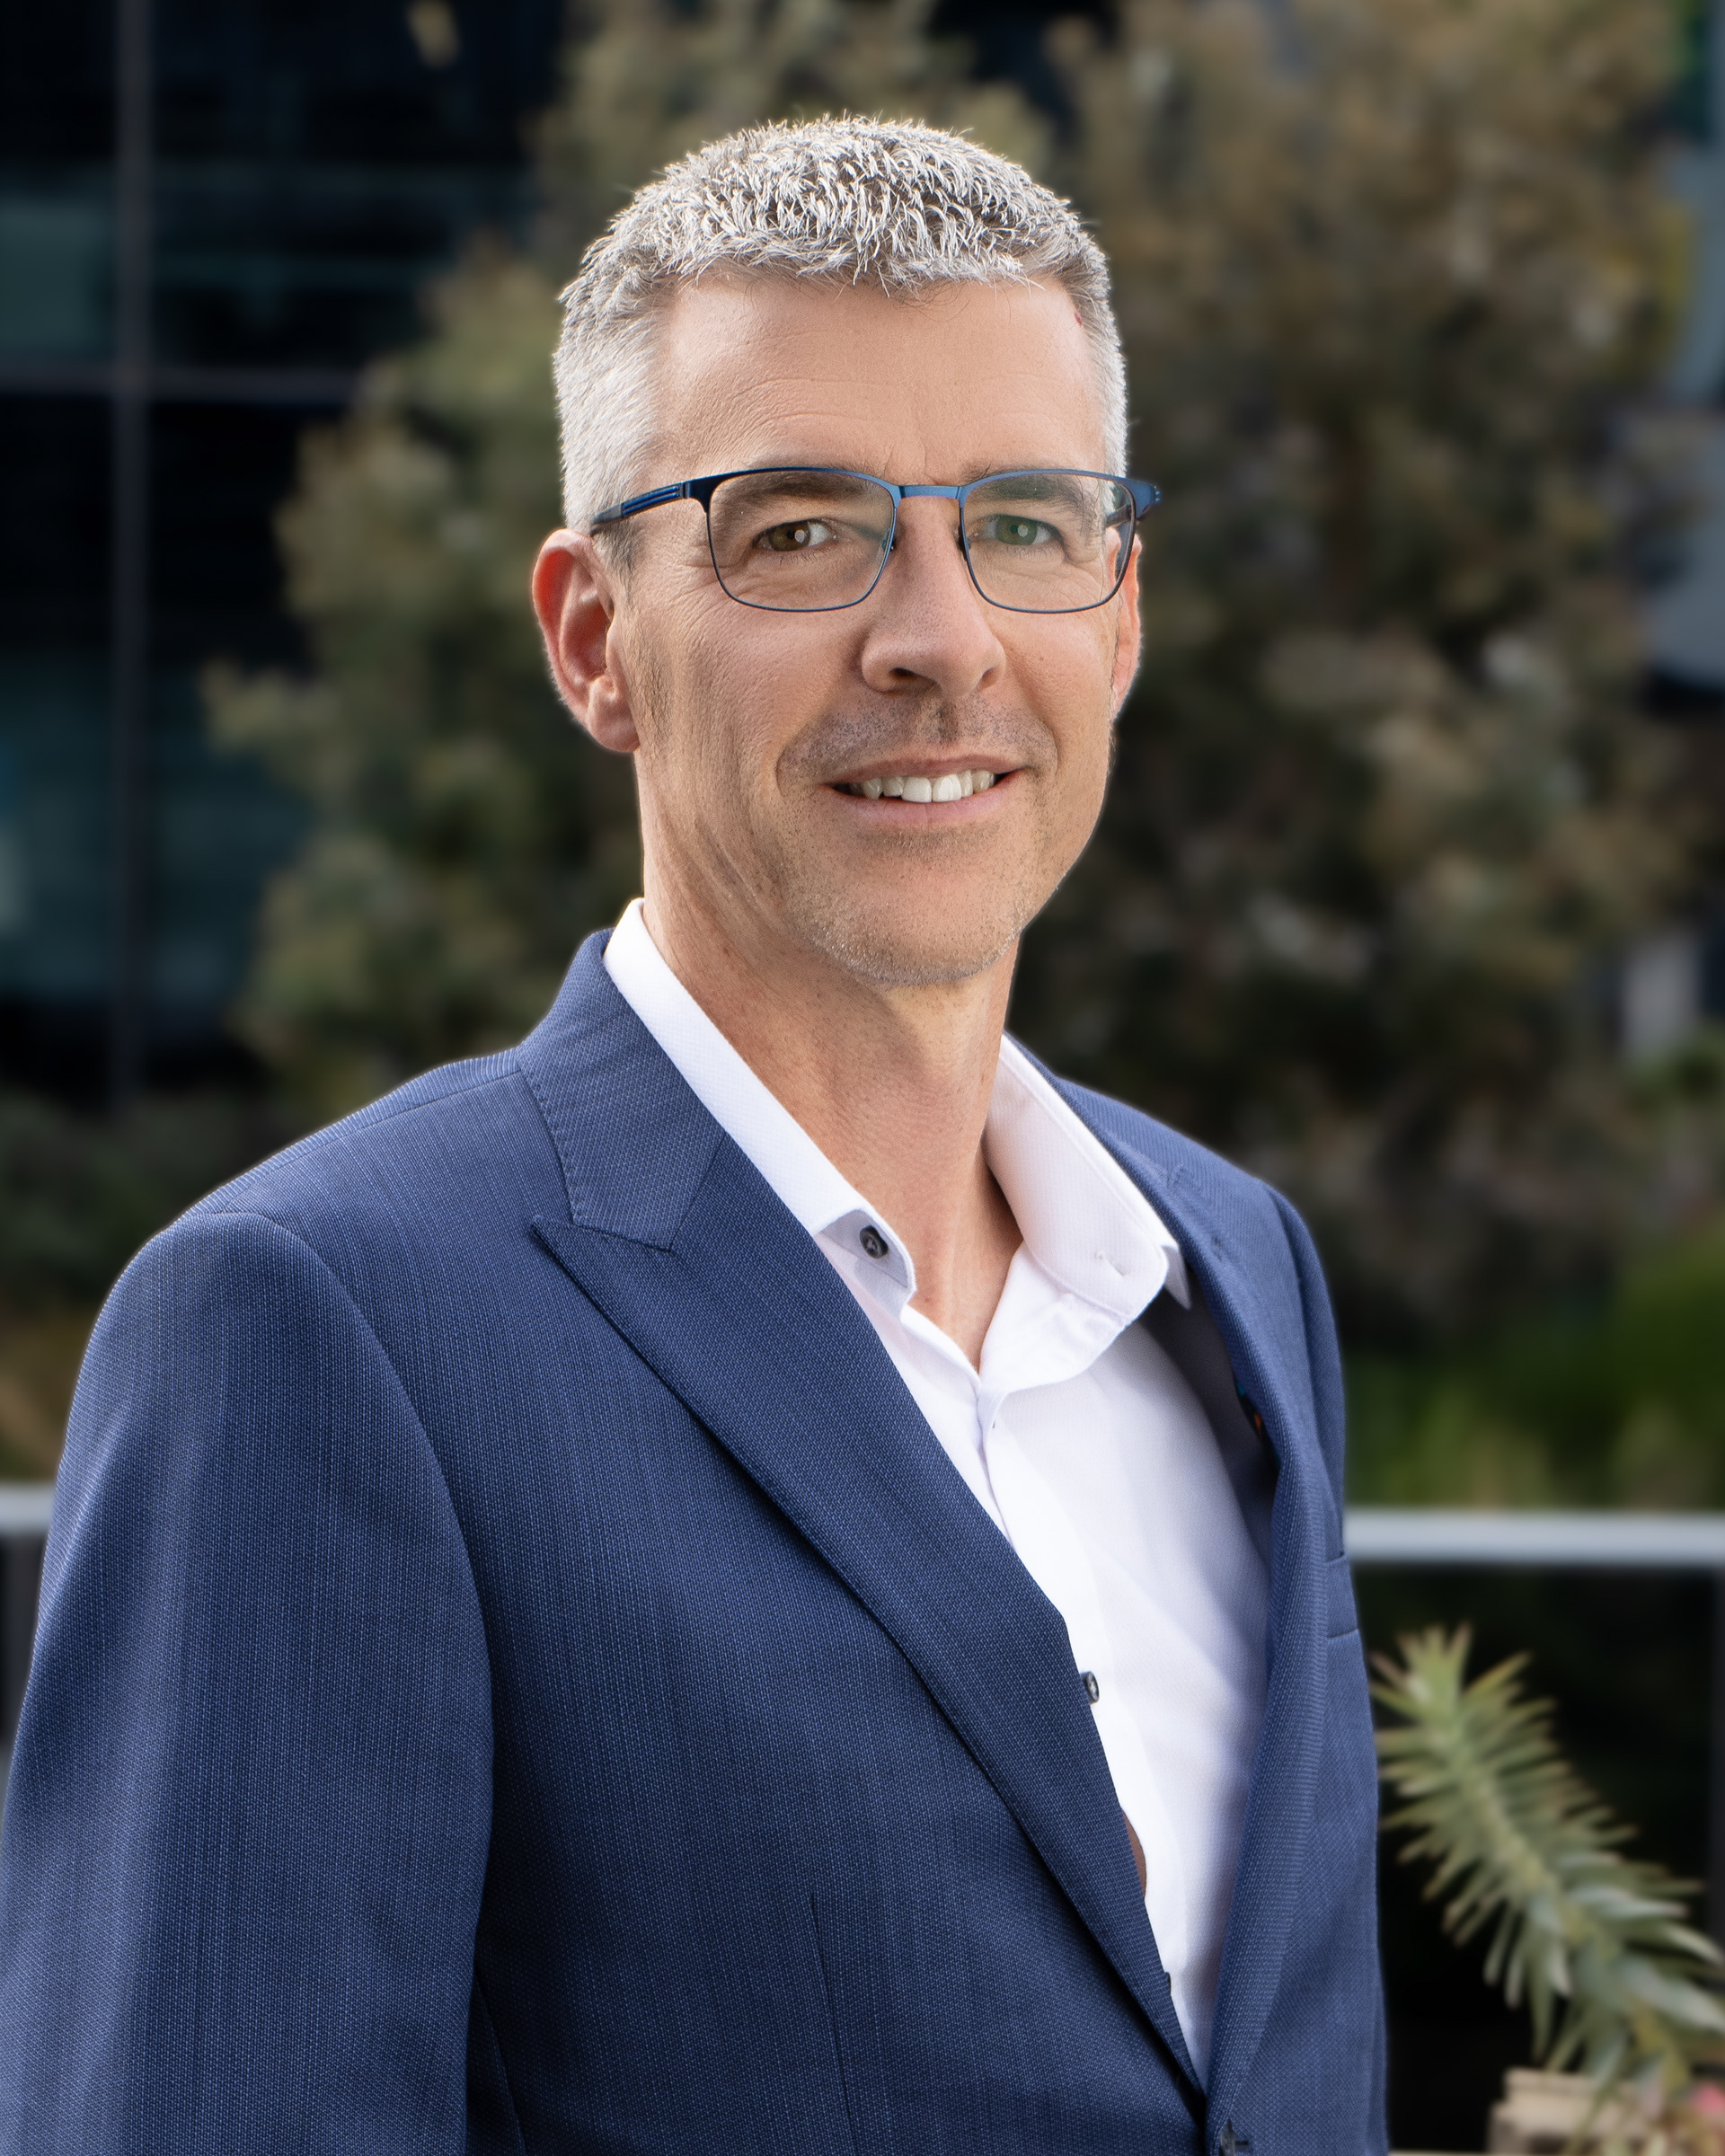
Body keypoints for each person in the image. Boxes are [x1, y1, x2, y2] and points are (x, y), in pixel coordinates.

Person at [0, 119, 1384, 2154]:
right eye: (803, 532)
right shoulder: (311, 1329)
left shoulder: (1233, 1269)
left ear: (1122, 616)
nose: (941, 638)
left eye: (1025, 523)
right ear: (593, 641)